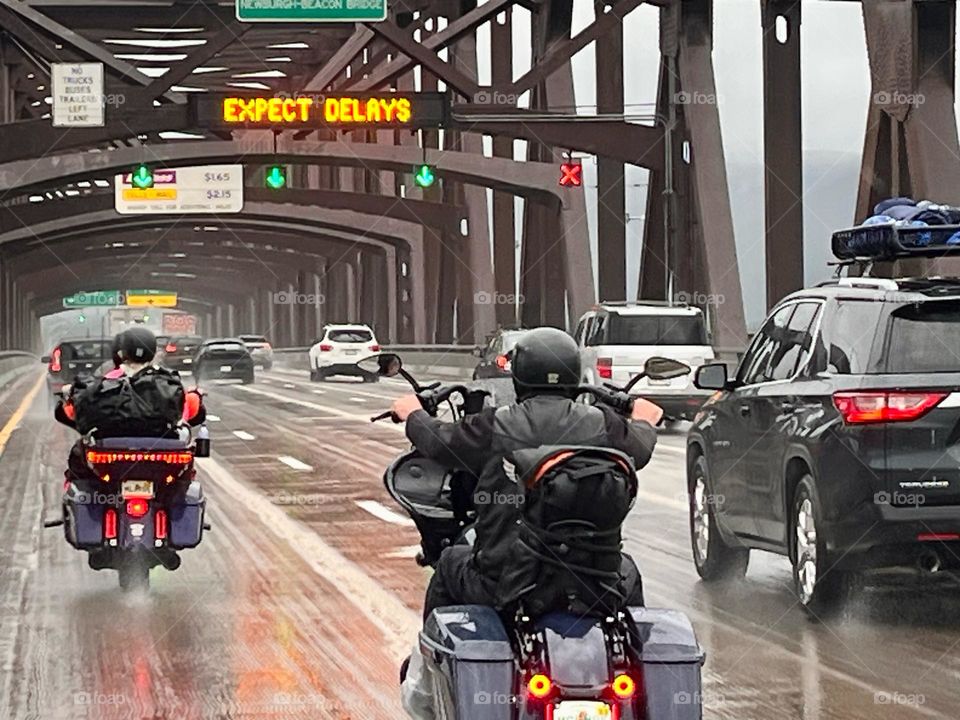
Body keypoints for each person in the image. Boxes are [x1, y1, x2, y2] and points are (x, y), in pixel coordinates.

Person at [393, 327, 663, 719]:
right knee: (630, 572)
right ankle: (628, 666)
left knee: (450, 561)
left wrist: (412, 412)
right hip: (594, 585)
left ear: (518, 375)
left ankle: (426, 693)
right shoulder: (603, 425)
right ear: (575, 374)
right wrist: (643, 419)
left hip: (505, 584)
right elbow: (640, 447)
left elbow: (438, 442)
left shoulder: (497, 425)